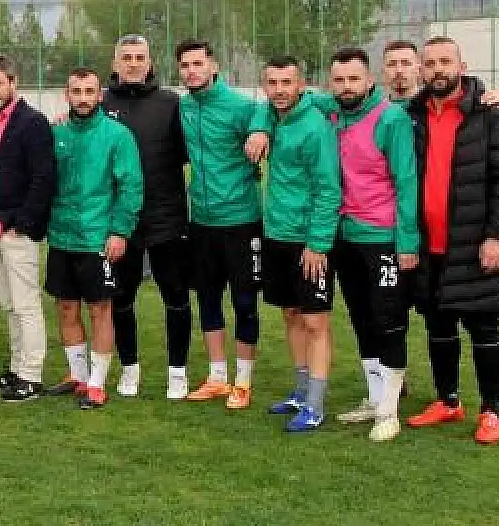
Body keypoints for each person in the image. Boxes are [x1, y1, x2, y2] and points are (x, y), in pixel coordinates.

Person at [321, 48, 420, 441]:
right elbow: (287, 99)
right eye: (339, 80)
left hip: (382, 238)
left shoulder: (391, 118)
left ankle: (390, 411)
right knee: (361, 319)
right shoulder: (331, 114)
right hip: (345, 238)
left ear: (369, 80)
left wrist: (407, 242)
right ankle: (375, 398)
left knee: (388, 319)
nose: (346, 87)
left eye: (353, 79)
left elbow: (406, 182)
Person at [404, 36, 499, 445]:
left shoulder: (488, 113)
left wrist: (494, 236)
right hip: (430, 245)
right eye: (430, 63)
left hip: (474, 242)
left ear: (462, 66)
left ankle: (492, 410)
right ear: (421, 70)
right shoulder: (413, 115)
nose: (437, 69)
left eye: (445, 61)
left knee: (484, 328)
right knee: (438, 325)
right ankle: (448, 400)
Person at [101, 35, 195, 400]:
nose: (133, 63)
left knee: (176, 296)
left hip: (166, 218)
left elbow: (187, 154)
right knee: (121, 297)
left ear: (150, 62)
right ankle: (130, 370)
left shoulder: (171, 104)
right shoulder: (102, 103)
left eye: (139, 57)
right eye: (126, 57)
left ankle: (177, 372)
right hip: (121, 222)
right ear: (115, 63)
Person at [45, 68, 143, 409]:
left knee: (101, 308)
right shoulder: (56, 134)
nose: (83, 98)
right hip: (61, 236)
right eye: (77, 91)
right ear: (67, 94)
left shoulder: (117, 135)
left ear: (100, 95)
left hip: (98, 238)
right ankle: (78, 375)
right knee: (65, 306)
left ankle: (98, 383)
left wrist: (119, 231)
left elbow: (131, 186)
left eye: (89, 91)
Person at [176, 39, 265, 409]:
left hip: (241, 221)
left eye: (198, 63)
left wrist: (260, 130)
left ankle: (242, 382)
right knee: (207, 299)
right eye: (185, 65)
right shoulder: (183, 107)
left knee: (244, 301)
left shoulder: (241, 106)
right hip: (201, 221)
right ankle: (216, 377)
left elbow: (267, 113)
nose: (191, 71)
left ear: (213, 66)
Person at [257, 56, 342, 432]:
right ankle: (301, 390)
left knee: (315, 320)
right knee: (290, 314)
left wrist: (318, 243)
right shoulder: (274, 117)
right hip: (277, 235)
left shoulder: (315, 128)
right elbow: (262, 111)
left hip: (309, 241)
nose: (279, 90)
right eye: (272, 83)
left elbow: (329, 189)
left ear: (301, 85)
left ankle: (316, 405)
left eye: (286, 83)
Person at [0, 54, 55, 403]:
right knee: (9, 304)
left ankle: (31, 376)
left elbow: (44, 177)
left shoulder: (32, 122)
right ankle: (17, 366)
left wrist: (23, 223)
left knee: (26, 304)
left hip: (14, 230)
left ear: (13, 82)